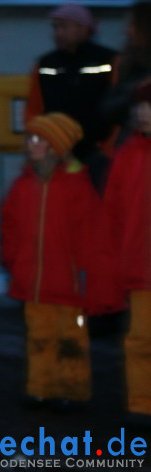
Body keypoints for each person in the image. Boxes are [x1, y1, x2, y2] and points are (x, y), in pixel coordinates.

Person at [0, 113, 113, 408]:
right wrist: (13, 261)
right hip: (34, 283)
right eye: (30, 138)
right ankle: (41, 387)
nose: (29, 144)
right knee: (39, 336)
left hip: (69, 284)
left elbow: (91, 235)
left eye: (38, 139)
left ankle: (71, 390)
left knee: (70, 339)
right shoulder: (23, 185)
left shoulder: (77, 187)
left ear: (55, 147)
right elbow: (9, 225)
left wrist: (88, 275)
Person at [24, 4, 116, 188]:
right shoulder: (45, 63)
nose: (58, 32)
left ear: (83, 28)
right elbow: (34, 110)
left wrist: (107, 149)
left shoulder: (108, 59)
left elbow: (118, 109)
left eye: (63, 26)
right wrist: (37, 147)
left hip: (96, 154)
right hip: (55, 156)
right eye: (55, 27)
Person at [103, 80, 151, 424]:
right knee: (139, 340)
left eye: (148, 107)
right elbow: (113, 213)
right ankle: (141, 402)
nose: (142, 113)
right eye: (139, 107)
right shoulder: (127, 155)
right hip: (139, 267)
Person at [103, 0, 151, 141]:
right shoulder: (126, 62)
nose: (127, 31)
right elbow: (107, 108)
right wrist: (136, 92)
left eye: (133, 25)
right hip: (131, 147)